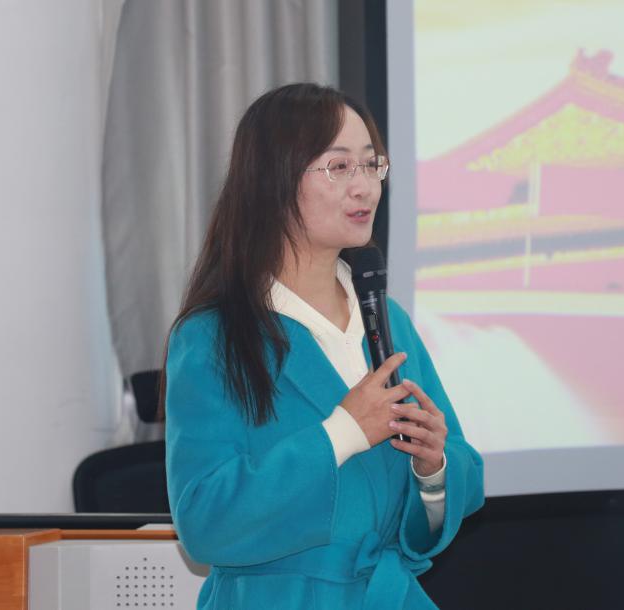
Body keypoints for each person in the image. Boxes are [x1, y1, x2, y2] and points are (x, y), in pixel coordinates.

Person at [161, 82, 484, 609]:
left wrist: (434, 471)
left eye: (371, 164)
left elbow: (461, 480)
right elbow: (204, 522)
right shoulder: (213, 336)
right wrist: (343, 432)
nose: (366, 188)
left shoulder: (389, 320)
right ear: (274, 180)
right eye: (339, 167)